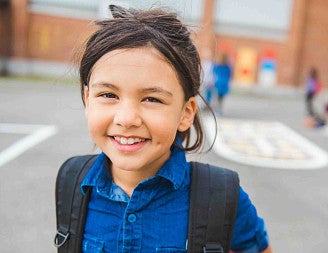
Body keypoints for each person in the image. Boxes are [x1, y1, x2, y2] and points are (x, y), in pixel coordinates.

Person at [67, 5, 272, 253]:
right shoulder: (70, 182)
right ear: (88, 100)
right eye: (108, 94)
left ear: (186, 113)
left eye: (152, 99)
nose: (127, 119)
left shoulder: (223, 196)